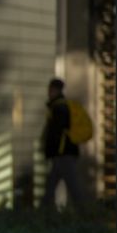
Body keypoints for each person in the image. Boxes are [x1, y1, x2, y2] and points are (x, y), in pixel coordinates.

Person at [41, 78, 85, 207]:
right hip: (62, 154)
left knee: (72, 186)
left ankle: (86, 214)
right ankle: (43, 214)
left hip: (62, 154)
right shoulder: (59, 106)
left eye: (50, 90)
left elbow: (57, 133)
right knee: (51, 186)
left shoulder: (59, 108)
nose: (48, 92)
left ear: (54, 90)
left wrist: (51, 151)